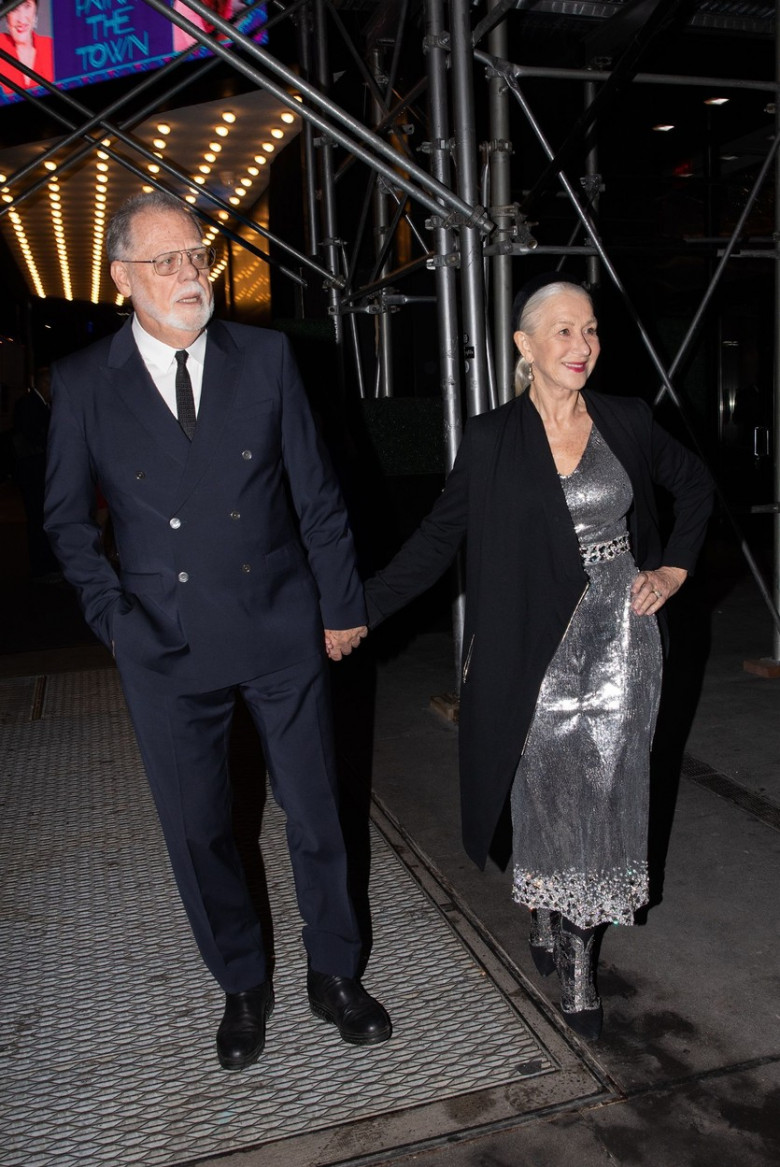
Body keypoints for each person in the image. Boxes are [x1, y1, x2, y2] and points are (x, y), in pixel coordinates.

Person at [44, 190, 391, 1071]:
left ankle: (336, 973)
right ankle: (241, 981)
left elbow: (317, 495)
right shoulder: (86, 383)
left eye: (197, 255)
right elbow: (66, 525)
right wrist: (116, 618)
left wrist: (343, 603)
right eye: (167, 261)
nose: (192, 274)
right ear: (122, 277)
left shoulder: (267, 358)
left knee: (317, 809)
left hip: (280, 622)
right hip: (164, 642)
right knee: (200, 829)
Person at [365, 273, 713, 1041]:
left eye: (590, 330)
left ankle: (582, 963)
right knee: (548, 796)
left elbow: (695, 485)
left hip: (623, 640)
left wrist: (673, 569)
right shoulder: (493, 438)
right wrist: (360, 610)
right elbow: (435, 538)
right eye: (563, 331)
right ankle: (550, 909)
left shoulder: (626, 419)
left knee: (607, 795)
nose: (582, 345)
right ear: (525, 346)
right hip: (537, 648)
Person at [12, 366, 60, 580]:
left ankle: (46, 565)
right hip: (33, 473)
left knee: (42, 518)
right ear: (45, 384)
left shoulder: (39, 404)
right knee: (37, 519)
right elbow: (32, 437)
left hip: (37, 471)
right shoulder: (30, 404)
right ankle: (42, 568)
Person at [0, 1, 54, 96]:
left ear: (35, 10)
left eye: (27, 6)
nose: (21, 19)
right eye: (13, 9)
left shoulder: (52, 47)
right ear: (6, 14)